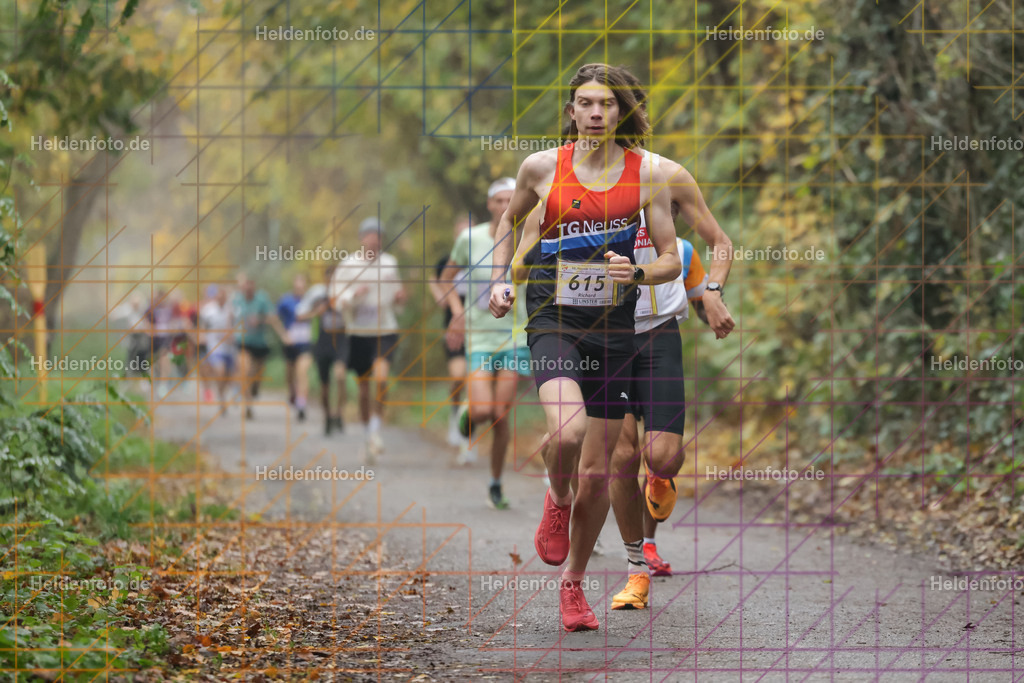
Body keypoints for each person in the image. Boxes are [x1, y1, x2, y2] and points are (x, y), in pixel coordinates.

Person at [489, 63, 681, 632]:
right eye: (585, 104)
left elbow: (669, 257)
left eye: (607, 104)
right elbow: (509, 218)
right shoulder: (542, 166)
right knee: (568, 434)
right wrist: (499, 279)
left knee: (599, 472)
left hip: (612, 326)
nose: (596, 113)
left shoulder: (647, 176)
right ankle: (555, 494)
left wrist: (639, 274)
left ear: (621, 112)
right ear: (571, 111)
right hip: (553, 317)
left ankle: (572, 584)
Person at [441, 177, 529, 509]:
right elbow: (446, 278)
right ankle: (467, 410)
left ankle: (495, 483)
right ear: (489, 205)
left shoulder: (528, 236)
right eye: (499, 200)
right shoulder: (470, 238)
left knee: (500, 415)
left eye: (512, 199)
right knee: (481, 410)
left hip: (515, 337)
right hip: (479, 335)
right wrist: (456, 312)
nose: (506, 205)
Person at [330, 217, 407, 463]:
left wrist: (399, 297)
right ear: (362, 238)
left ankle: (375, 428)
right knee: (364, 389)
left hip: (384, 330)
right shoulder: (348, 265)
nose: (374, 240)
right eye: (370, 235)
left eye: (378, 236)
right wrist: (354, 294)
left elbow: (398, 299)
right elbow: (335, 297)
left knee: (382, 378)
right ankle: (366, 434)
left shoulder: (389, 264)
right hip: (358, 333)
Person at [428, 217, 474, 462]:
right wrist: (440, 295)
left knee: (474, 382)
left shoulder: (481, 259)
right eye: (461, 232)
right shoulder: (447, 262)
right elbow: (434, 280)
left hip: (480, 329)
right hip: (454, 327)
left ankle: (467, 438)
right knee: (458, 377)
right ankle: (455, 413)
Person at [301, 264, 349, 435]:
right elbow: (300, 315)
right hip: (322, 342)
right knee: (324, 387)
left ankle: (339, 413)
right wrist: (317, 311)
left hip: (341, 340)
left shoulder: (346, 295)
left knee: (340, 375)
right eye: (331, 278)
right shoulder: (317, 296)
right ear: (326, 279)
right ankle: (327, 416)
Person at [233, 274, 285, 420]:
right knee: (244, 371)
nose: (247, 288)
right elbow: (231, 316)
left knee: (256, 376)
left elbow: (273, 317)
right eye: (245, 285)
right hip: (242, 341)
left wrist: (260, 320)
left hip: (260, 343)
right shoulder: (237, 299)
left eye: (250, 284)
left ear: (254, 286)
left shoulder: (262, 298)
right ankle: (248, 405)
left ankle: (255, 388)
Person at [278, 274, 314, 421]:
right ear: (294, 285)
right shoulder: (285, 301)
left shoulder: (311, 301)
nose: (299, 287)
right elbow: (275, 318)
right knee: (290, 374)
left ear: (305, 286)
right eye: (297, 284)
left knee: (302, 372)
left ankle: (301, 404)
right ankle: (293, 393)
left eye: (302, 284)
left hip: (306, 342)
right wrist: (283, 335)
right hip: (290, 342)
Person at [198, 285, 238, 416]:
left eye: (223, 297)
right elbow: (202, 326)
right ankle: (221, 399)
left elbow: (236, 325)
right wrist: (202, 336)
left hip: (229, 347)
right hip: (215, 345)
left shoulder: (231, 309)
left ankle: (222, 394)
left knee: (228, 376)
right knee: (219, 371)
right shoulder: (208, 310)